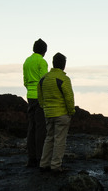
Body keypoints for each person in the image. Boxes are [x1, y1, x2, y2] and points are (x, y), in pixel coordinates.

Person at [38, 53, 75, 173]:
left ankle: (44, 164)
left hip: (48, 114)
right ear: (64, 65)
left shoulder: (44, 79)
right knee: (59, 140)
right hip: (62, 114)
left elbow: (40, 97)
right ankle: (55, 165)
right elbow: (69, 98)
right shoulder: (63, 79)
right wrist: (71, 112)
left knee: (49, 138)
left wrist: (45, 108)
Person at [23, 38, 48, 167]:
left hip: (30, 96)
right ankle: (40, 158)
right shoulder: (42, 62)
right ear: (44, 51)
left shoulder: (27, 61)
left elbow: (25, 81)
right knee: (40, 128)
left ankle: (31, 158)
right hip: (39, 97)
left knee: (31, 127)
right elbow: (44, 81)